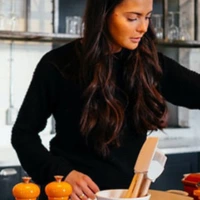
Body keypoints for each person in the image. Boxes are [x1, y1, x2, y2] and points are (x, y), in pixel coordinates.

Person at [11, 0, 200, 199]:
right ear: (103, 14)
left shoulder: (150, 64)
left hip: (129, 197)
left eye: (148, 17)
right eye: (132, 18)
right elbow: (23, 134)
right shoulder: (57, 65)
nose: (143, 27)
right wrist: (61, 173)